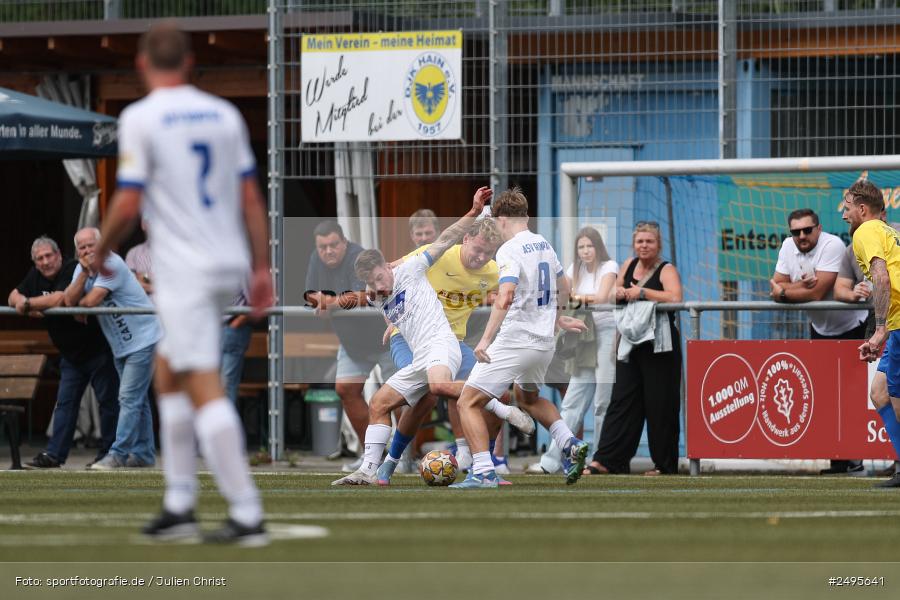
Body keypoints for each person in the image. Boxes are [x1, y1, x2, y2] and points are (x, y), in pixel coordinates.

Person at [92, 22, 273, 544]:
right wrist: (261, 268)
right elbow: (250, 198)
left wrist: (101, 251)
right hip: (226, 263)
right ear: (190, 62)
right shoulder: (224, 114)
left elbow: (129, 199)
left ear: (142, 65)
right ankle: (179, 504)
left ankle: (246, 512)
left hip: (186, 270)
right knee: (167, 373)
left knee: (202, 383)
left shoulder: (140, 117)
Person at [331, 187, 496, 485]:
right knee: (382, 403)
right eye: (371, 283)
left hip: (442, 342)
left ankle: (484, 452)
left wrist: (473, 212)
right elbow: (384, 299)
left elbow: (447, 237)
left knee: (438, 389)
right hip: (414, 348)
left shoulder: (414, 266)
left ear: (387, 266)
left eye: (379, 277)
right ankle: (370, 469)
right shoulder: (376, 292)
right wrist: (389, 320)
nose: (378, 286)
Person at [375, 215, 535, 485]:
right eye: (478, 249)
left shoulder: (493, 271)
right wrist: (392, 315)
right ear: (466, 239)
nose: (481, 257)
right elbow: (387, 273)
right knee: (426, 394)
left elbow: (526, 294)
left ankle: (483, 468)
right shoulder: (437, 255)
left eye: (488, 253)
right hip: (411, 339)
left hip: (452, 344)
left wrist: (558, 317)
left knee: (499, 391)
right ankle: (390, 462)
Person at [452, 187, 590, 489]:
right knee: (528, 398)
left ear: (501, 219)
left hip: (516, 339)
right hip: (543, 343)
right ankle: (569, 443)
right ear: (525, 216)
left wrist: (485, 340)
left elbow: (505, 295)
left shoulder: (509, 249)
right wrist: (556, 318)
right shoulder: (544, 244)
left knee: (467, 402)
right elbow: (564, 286)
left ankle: (483, 471)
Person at [769, 208, 868, 475]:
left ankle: (857, 459)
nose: (801, 236)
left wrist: (784, 292)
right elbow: (774, 286)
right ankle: (838, 460)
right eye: (796, 231)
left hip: (852, 328)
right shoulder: (787, 246)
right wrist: (793, 290)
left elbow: (818, 291)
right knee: (826, 398)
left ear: (819, 228)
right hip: (820, 329)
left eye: (807, 230)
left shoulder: (832, 245)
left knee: (854, 396)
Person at [8, 236, 120, 469]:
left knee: (108, 403)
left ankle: (109, 454)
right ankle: (54, 455)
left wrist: (28, 305)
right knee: (65, 404)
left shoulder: (72, 268)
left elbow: (61, 298)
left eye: (49, 256)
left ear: (59, 255)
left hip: (98, 349)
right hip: (70, 354)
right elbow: (12, 296)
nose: (45, 262)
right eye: (39, 258)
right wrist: (25, 302)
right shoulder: (35, 275)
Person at [583, 221, 683, 476]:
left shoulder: (666, 269)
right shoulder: (628, 264)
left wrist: (642, 292)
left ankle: (664, 466)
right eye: (640, 241)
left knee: (660, 405)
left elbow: (675, 297)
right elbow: (613, 293)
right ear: (634, 244)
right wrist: (617, 292)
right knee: (621, 401)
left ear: (658, 245)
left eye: (649, 241)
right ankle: (607, 460)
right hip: (630, 344)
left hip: (660, 346)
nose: (644, 246)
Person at [304, 220, 397, 472]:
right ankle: (373, 456)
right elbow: (310, 294)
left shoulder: (359, 257)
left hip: (385, 339)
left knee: (401, 397)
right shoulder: (315, 259)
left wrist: (330, 303)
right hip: (352, 343)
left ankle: (403, 457)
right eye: (323, 247)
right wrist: (318, 302)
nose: (328, 251)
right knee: (346, 389)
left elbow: (368, 295)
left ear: (344, 242)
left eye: (334, 245)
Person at [65, 227, 160, 470]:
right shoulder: (81, 269)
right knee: (138, 400)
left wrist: (80, 305)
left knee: (128, 397)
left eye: (91, 245)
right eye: (82, 247)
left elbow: (90, 301)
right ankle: (144, 454)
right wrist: (83, 274)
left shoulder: (111, 263)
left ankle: (118, 453)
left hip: (144, 338)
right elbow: (69, 300)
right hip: (121, 343)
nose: (87, 250)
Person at [528, 227, 617, 474]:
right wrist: (573, 296)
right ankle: (550, 462)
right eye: (581, 247)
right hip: (583, 337)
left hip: (606, 335)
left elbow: (600, 298)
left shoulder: (609, 266)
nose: (585, 251)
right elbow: (561, 295)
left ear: (598, 247)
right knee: (572, 402)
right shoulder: (573, 269)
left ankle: (599, 460)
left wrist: (574, 296)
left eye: (590, 246)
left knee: (602, 403)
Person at [842, 179, 900, 488]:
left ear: (862, 209)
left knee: (898, 400)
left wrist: (879, 330)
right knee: (879, 392)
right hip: (896, 323)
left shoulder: (865, 232)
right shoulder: (888, 231)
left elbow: (881, 277)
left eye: (847, 208)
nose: (844, 215)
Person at [221, 282, 253, 404]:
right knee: (216, 383)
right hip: (215, 329)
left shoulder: (242, 270)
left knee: (226, 385)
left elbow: (254, 301)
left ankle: (224, 416)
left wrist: (236, 323)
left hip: (230, 327)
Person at [125, 220, 153, 296]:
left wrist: (144, 277)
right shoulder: (133, 253)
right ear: (143, 224)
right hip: (143, 303)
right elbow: (130, 285)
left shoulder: (176, 251)